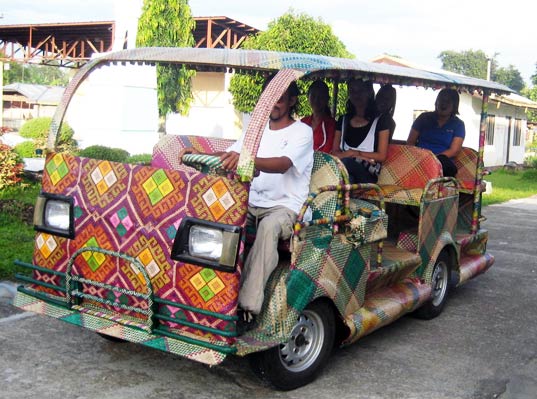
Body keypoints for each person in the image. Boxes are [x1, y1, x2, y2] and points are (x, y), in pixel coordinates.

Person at [178, 80, 314, 332]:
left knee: (269, 228)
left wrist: (248, 159)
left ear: (292, 101)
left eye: (280, 98)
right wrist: (197, 152)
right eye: (268, 98)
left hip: (285, 207)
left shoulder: (302, 132)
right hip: (252, 201)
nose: (273, 103)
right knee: (218, 220)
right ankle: (198, 294)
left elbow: (283, 163)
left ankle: (246, 309)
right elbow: (232, 155)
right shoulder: (255, 127)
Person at [331, 79, 390, 183]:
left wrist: (354, 153)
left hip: (367, 174)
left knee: (346, 163)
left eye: (360, 91)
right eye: (352, 91)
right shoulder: (343, 120)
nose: (356, 95)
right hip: (345, 171)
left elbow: (381, 156)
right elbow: (335, 151)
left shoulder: (381, 120)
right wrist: (352, 155)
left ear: (369, 92)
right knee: (349, 178)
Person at [406, 88, 465, 177]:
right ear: (436, 101)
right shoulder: (423, 118)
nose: (443, 104)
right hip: (420, 160)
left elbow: (454, 150)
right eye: (441, 100)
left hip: (442, 163)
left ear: (454, 105)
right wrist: (420, 158)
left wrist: (433, 159)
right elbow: (410, 142)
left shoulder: (458, 124)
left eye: (448, 101)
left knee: (448, 167)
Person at [301, 80, 336, 153]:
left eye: (321, 97)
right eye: (313, 96)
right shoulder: (302, 122)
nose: (317, 100)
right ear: (308, 97)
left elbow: (328, 150)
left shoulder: (332, 124)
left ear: (327, 99)